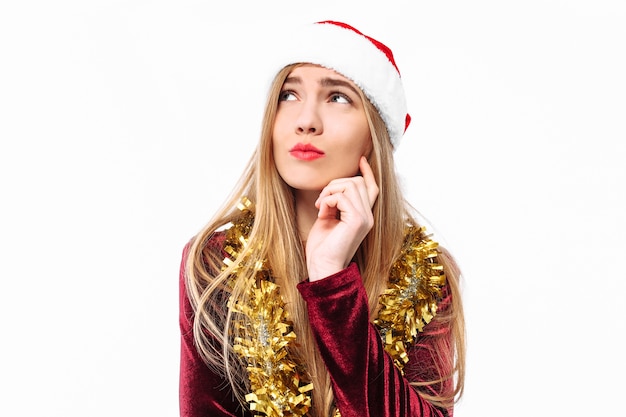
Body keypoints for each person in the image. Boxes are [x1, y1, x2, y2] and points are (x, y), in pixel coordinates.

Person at [179, 20, 466, 417]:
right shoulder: (217, 263)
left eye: (338, 98)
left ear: (375, 135)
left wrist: (332, 282)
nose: (306, 120)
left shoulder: (426, 274)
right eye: (289, 94)